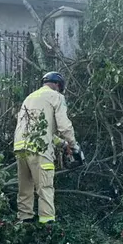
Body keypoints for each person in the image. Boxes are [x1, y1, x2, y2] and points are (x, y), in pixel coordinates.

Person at [12, 71, 78, 224]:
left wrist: (62, 144)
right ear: (58, 85)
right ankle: (47, 226)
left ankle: (25, 221)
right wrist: (74, 146)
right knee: (45, 187)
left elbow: (43, 130)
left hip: (21, 147)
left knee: (25, 188)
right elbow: (64, 127)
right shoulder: (56, 97)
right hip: (40, 148)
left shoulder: (30, 98)